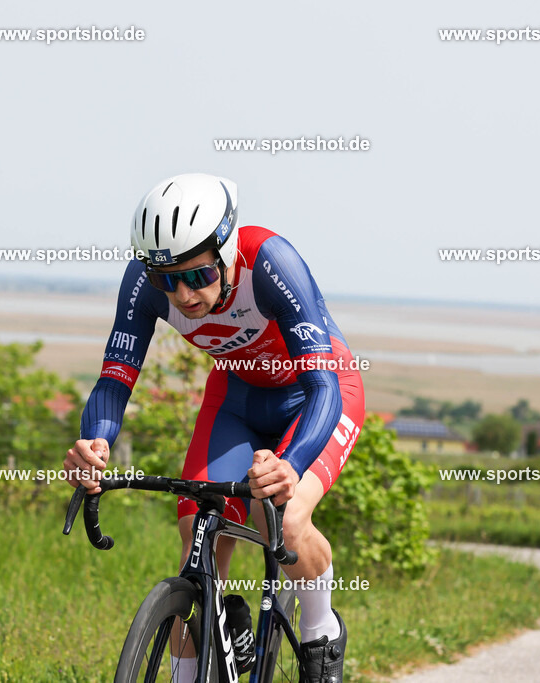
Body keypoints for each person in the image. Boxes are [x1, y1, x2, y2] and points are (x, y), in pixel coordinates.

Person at [64, 173, 364, 683]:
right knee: (195, 536)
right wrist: (96, 442)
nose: (183, 294)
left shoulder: (271, 262)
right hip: (236, 398)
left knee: (284, 521)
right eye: (167, 280)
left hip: (315, 397)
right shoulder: (143, 285)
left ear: (226, 253)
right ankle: (217, 640)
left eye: (199, 276)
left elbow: (324, 387)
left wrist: (289, 465)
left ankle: (321, 638)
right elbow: (114, 380)